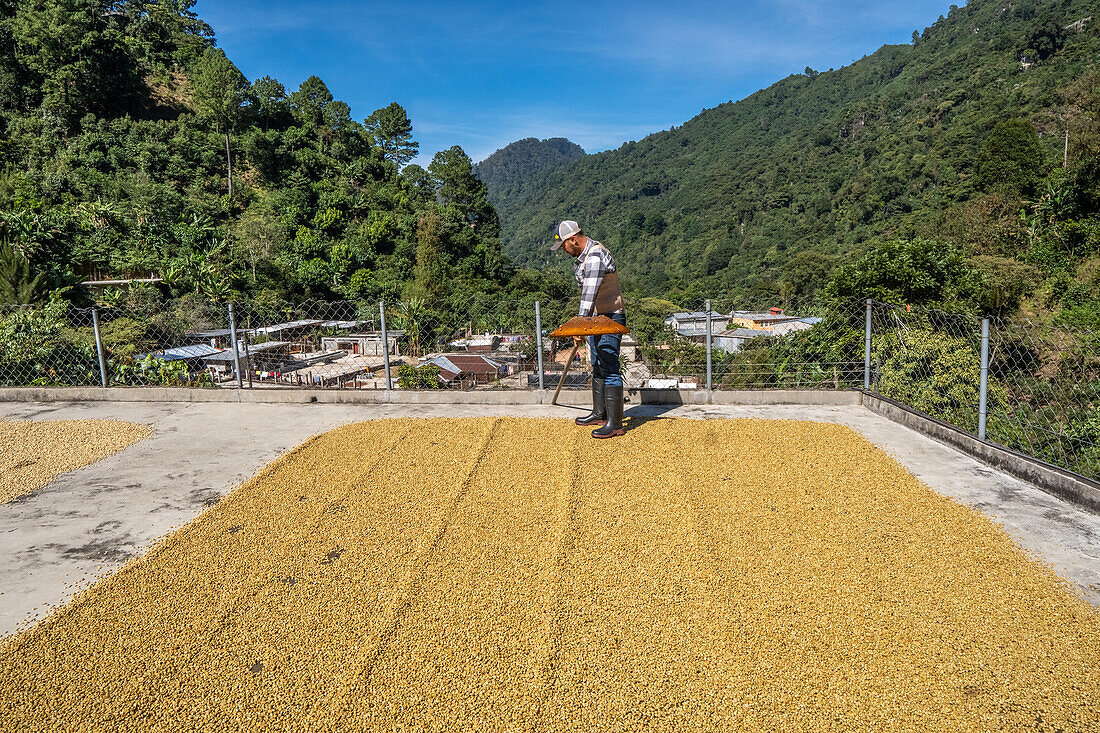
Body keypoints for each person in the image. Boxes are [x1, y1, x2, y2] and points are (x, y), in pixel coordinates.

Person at [552, 220, 626, 438]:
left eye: (564, 245)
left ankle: (615, 424)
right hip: (595, 319)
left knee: (609, 364)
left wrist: (579, 327)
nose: (564, 251)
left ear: (573, 240)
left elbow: (589, 294)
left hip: (610, 317)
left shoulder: (594, 256)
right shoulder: (585, 257)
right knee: (597, 364)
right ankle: (599, 413)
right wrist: (584, 325)